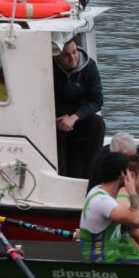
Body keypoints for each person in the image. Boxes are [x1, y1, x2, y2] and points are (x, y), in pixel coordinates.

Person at [78, 152, 139, 263]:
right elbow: (138, 221)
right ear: (122, 174)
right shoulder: (102, 201)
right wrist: (132, 194)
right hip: (103, 266)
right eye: (128, 172)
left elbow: (132, 222)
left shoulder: (98, 191)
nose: (131, 176)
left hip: (114, 262)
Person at [53, 36, 106, 179]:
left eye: (74, 52)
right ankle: (60, 177)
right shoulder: (48, 68)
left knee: (97, 123)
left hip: (78, 116)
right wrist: (55, 119)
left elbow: (97, 100)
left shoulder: (89, 66)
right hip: (55, 118)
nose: (73, 58)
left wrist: (75, 117)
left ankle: (92, 176)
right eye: (66, 55)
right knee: (56, 134)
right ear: (56, 56)